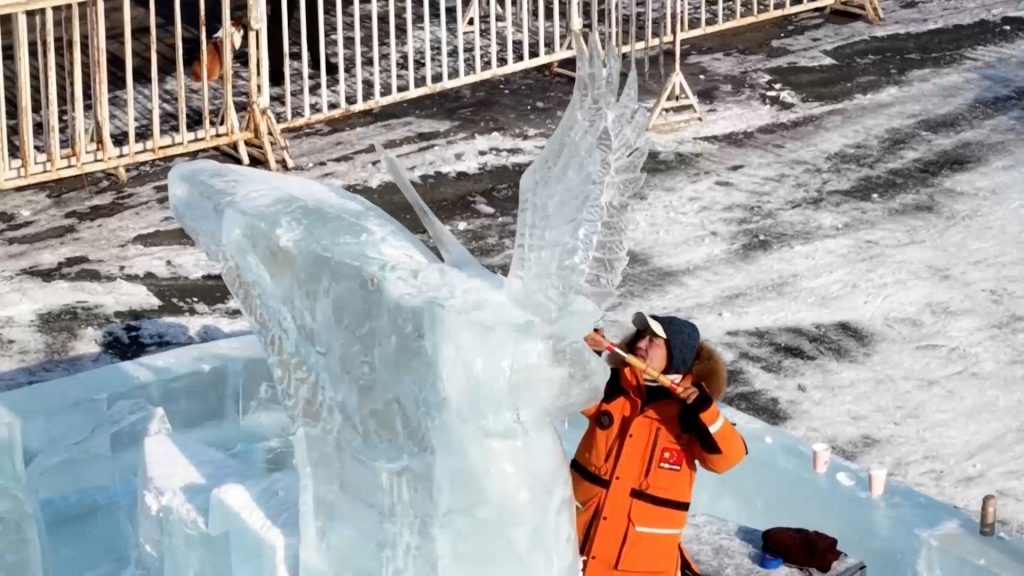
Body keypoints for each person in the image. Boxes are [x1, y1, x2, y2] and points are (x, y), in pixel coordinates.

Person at [573, 312, 748, 576]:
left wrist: (705, 412)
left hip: (641, 564)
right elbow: (566, 393)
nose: (640, 344)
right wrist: (586, 358)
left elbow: (728, 459)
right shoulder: (612, 386)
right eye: (641, 337)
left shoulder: (692, 409)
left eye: (653, 340)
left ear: (676, 353)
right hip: (577, 546)